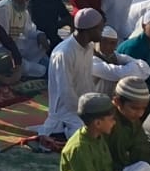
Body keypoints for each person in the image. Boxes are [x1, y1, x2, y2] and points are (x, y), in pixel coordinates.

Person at [38, 8, 141, 145]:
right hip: (67, 112)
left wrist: (95, 106)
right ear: (89, 30)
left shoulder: (88, 47)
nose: (102, 31)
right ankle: (59, 132)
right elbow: (66, 93)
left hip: (85, 107)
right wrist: (87, 112)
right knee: (93, 134)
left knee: (115, 123)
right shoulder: (64, 53)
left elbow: (87, 83)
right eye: (100, 28)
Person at [59, 93, 150, 171]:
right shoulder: (78, 147)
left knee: (143, 167)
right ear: (98, 123)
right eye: (111, 119)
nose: (114, 123)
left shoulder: (99, 137)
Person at [0, 0, 48, 77]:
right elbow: (2, 38)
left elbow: (29, 30)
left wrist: (39, 34)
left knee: (43, 42)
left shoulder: (23, 9)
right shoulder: (4, 8)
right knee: (40, 70)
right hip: (4, 51)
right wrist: (15, 54)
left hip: (18, 47)